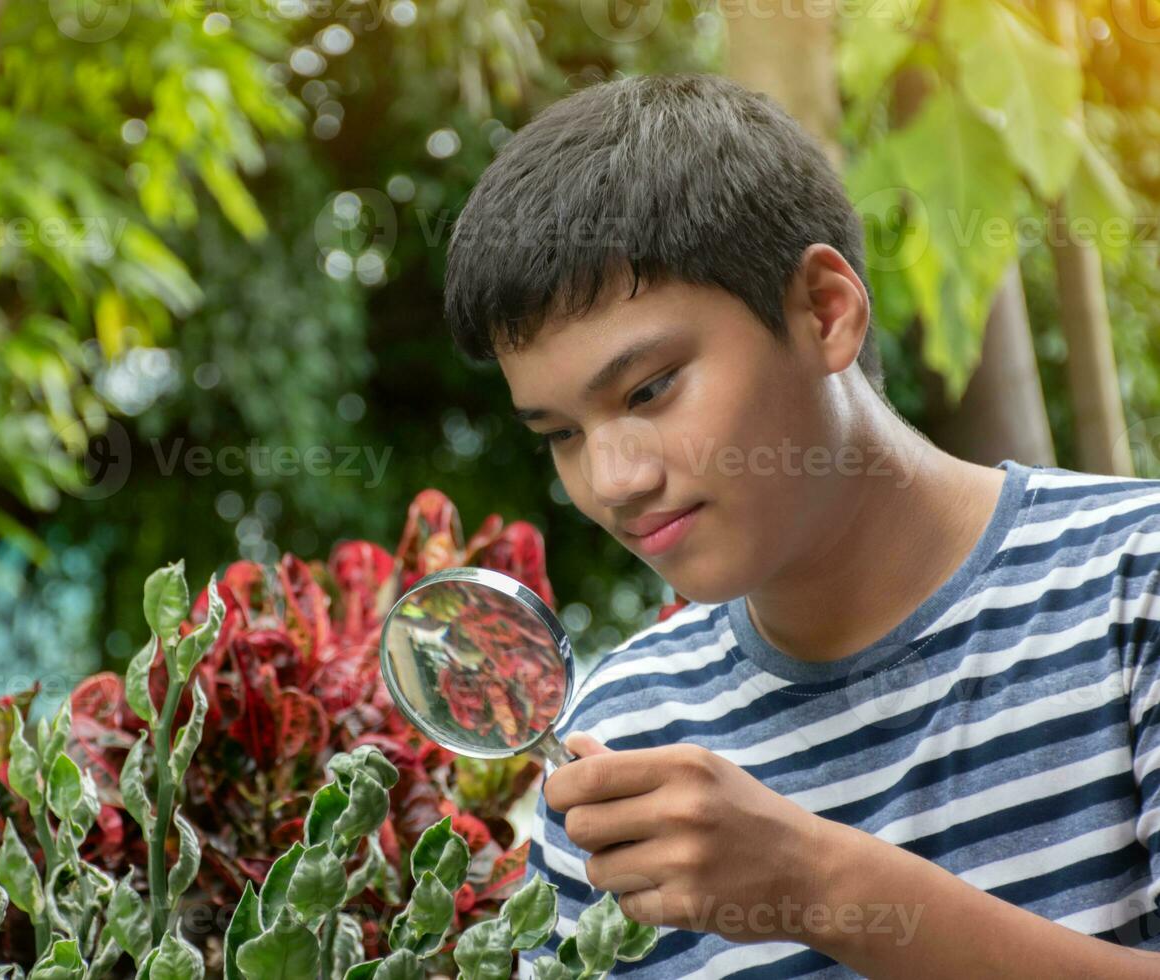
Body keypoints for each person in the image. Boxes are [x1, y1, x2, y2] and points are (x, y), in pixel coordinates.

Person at [442, 72, 1160, 977]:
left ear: (826, 310)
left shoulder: (1136, 583)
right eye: (562, 434)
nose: (613, 481)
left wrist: (823, 887)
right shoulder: (619, 733)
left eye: (651, 389)